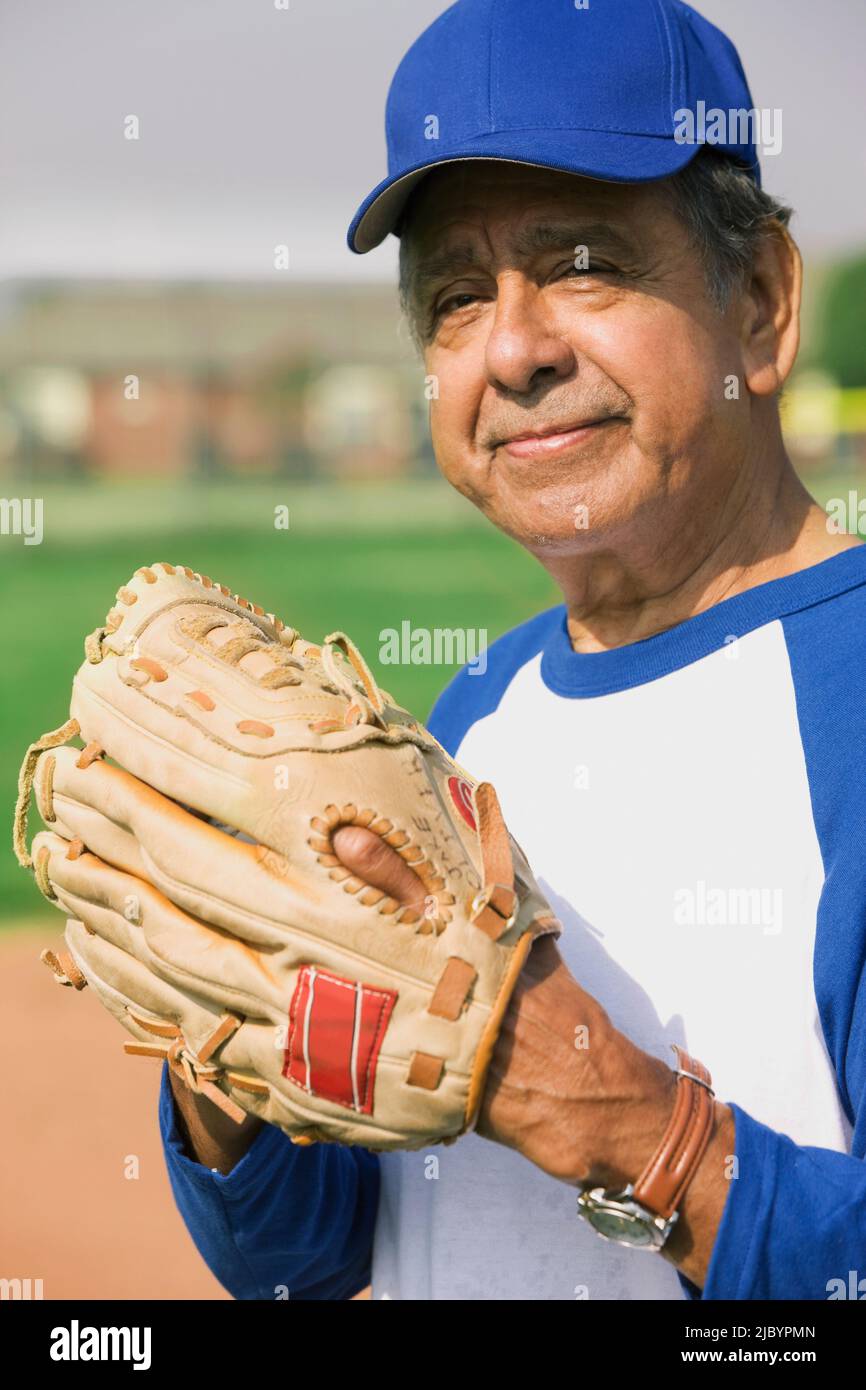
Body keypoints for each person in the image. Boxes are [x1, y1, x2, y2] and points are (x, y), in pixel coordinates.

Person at [160, 0, 866, 1300]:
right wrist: (232, 1060)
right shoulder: (468, 716)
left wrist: (624, 1122)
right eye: (454, 297)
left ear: (761, 303)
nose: (515, 347)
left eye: (586, 260)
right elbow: (309, 1257)